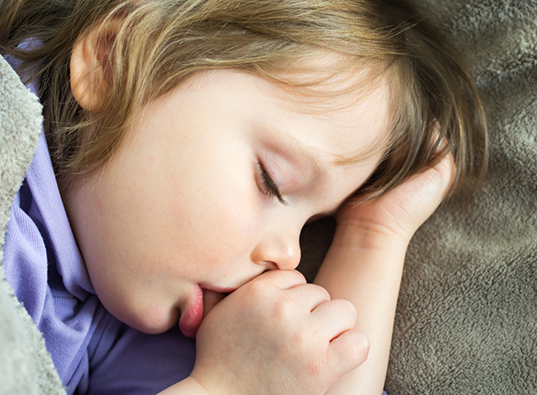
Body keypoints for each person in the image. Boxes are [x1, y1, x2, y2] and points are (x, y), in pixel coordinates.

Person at [0, 0, 487, 394]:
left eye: (313, 223)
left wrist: (373, 236)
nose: (290, 258)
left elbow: (315, 382)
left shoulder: (119, 317)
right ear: (114, 61)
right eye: (272, 182)